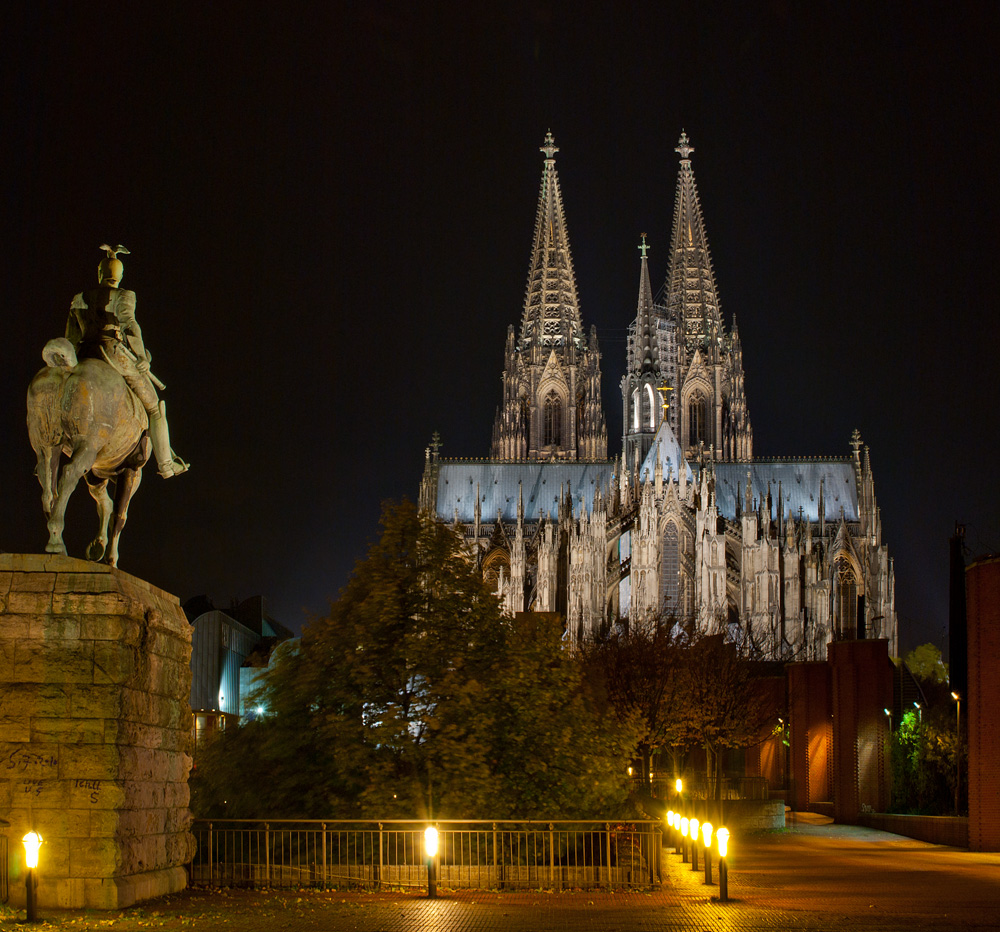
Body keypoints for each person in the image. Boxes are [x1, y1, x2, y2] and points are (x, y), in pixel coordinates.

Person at [66, 245, 189, 478]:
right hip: (113, 354)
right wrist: (142, 357)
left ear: (100, 274)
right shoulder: (124, 296)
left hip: (83, 353)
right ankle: (166, 464)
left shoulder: (79, 298)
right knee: (153, 407)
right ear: (119, 276)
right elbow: (130, 325)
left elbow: (71, 337)